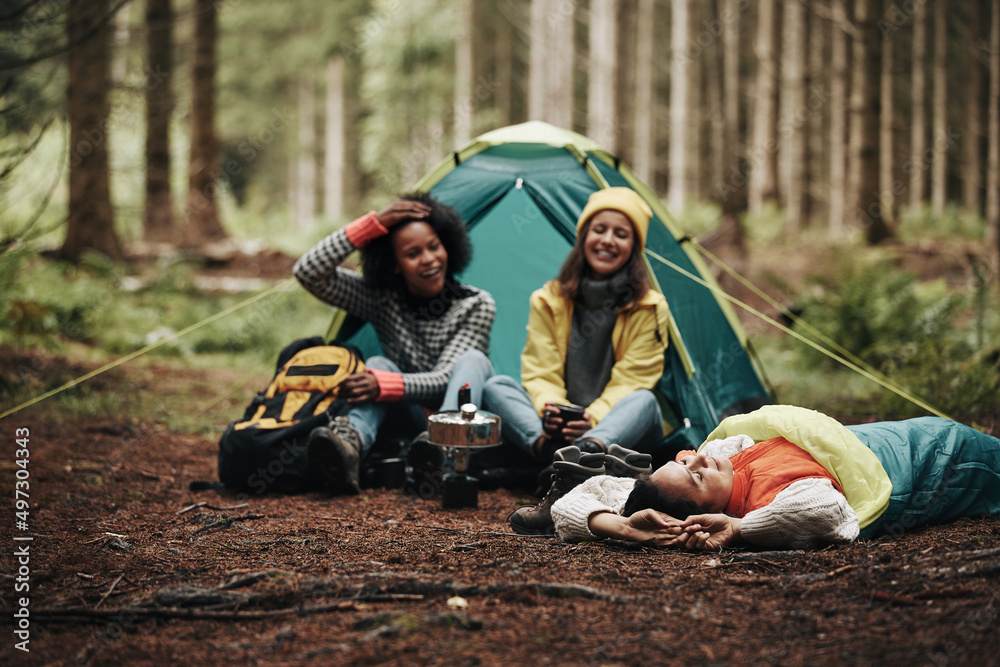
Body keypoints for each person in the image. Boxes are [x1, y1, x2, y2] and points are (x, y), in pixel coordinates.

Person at [549, 405, 1000, 549]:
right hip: (940, 456)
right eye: (697, 477)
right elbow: (828, 513)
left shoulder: (719, 456)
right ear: (710, 513)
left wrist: (620, 519)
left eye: (684, 460)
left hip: (880, 437)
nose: (699, 460)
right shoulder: (772, 500)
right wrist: (744, 528)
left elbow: (567, 504)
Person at [482, 187, 669, 533]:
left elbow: (634, 377)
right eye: (599, 230)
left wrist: (592, 420)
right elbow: (540, 369)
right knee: (496, 386)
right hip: (560, 428)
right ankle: (559, 457)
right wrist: (552, 410)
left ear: (634, 247)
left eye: (621, 233)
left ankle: (580, 457)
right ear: (584, 236)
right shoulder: (548, 299)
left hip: (614, 429)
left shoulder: (649, 306)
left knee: (644, 401)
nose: (608, 240)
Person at [293, 194, 495, 494]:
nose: (429, 259)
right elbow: (309, 272)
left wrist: (384, 385)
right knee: (378, 365)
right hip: (409, 422)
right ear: (395, 264)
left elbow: (443, 379)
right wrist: (372, 225)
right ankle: (348, 448)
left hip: (456, 425)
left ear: (448, 247)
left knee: (474, 361)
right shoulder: (382, 298)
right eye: (413, 253)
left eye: (434, 247)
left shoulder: (477, 304)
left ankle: (444, 452)